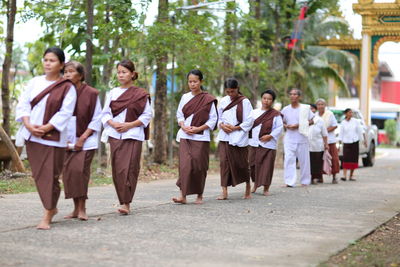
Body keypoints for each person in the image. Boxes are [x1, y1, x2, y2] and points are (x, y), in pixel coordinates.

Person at [15, 47, 77, 229]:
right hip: (32, 135)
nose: (48, 63)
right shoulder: (34, 82)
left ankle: (49, 211)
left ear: (61, 64)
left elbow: (65, 113)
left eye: (52, 60)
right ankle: (50, 207)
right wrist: (27, 124)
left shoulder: (68, 88)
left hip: (53, 137)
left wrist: (47, 127)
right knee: (39, 175)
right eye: (46, 59)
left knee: (50, 175)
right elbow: (23, 104)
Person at [101, 59, 152, 215]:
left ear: (132, 74)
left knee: (129, 168)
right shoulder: (113, 93)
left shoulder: (140, 94)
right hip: (115, 134)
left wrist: (129, 125)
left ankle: (126, 203)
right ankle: (122, 199)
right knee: (118, 169)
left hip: (133, 134)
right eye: (119, 72)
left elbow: (147, 115)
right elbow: (104, 113)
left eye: (124, 72)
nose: (121, 75)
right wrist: (113, 123)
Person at [62, 61, 102, 221]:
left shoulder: (91, 93)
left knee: (80, 172)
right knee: (69, 174)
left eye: (71, 71)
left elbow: (97, 118)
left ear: (80, 75)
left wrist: (83, 138)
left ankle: (82, 208)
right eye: (65, 72)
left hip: (86, 140)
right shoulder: (62, 92)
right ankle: (74, 208)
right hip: (66, 140)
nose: (67, 74)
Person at [172, 69, 218, 204]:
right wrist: (183, 125)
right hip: (185, 136)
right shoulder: (185, 97)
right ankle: (183, 196)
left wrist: (199, 128)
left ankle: (199, 195)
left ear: (201, 82)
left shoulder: (208, 99)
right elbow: (179, 114)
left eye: (195, 81)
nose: (192, 84)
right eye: (190, 81)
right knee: (185, 166)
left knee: (199, 166)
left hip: (201, 137)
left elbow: (212, 119)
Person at [216, 78, 253, 200]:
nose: (230, 94)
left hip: (239, 136)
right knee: (224, 163)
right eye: (228, 92)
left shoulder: (245, 101)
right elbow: (219, 117)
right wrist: (222, 125)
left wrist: (236, 128)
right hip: (224, 136)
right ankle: (224, 191)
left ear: (237, 89)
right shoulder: (224, 101)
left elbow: (249, 120)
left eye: (233, 91)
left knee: (241, 164)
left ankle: (248, 188)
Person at [248, 89, 283, 195]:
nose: (266, 101)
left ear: (272, 101)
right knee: (252, 165)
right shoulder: (254, 112)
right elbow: (247, 125)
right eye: (264, 98)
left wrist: (270, 136)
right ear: (261, 99)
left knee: (267, 166)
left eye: (269, 99)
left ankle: (266, 188)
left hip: (268, 144)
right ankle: (255, 185)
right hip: (253, 143)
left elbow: (279, 127)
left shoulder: (276, 114)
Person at [281, 88, 314, 187]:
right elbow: (281, 121)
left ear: (299, 96)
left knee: (304, 161)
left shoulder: (305, 108)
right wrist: (286, 126)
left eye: (295, 94)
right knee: (289, 159)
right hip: (289, 138)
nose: (292, 96)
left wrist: (299, 125)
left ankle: (305, 181)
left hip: (302, 137)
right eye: (291, 94)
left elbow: (312, 120)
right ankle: (289, 182)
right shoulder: (285, 109)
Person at [315, 98, 340, 184]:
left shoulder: (330, 114)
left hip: (330, 140)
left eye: (322, 104)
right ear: (316, 106)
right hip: (318, 141)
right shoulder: (315, 115)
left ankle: (334, 177)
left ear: (325, 106)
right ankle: (320, 177)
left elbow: (335, 125)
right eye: (319, 104)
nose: (320, 106)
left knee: (333, 159)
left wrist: (324, 131)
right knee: (319, 159)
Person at [338, 108, 367, 181]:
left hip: (354, 142)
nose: (351, 114)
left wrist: (364, 140)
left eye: (352, 113)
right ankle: (344, 175)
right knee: (345, 159)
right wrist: (339, 144)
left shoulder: (356, 121)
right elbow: (341, 134)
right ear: (346, 114)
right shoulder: (343, 123)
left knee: (353, 159)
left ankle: (351, 175)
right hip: (346, 142)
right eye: (349, 112)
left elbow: (361, 131)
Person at [308, 104, 329, 184]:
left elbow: (324, 133)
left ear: (315, 110)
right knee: (310, 162)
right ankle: (311, 177)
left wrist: (326, 144)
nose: (311, 110)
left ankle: (317, 177)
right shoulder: (304, 120)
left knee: (317, 162)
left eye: (312, 109)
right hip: (307, 145)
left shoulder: (320, 120)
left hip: (318, 145)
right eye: (309, 109)